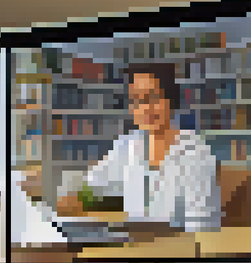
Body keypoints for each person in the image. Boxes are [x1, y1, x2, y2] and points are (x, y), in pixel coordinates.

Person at [54, 63, 222, 232]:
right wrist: (74, 199)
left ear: (171, 99)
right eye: (136, 100)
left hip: (181, 249)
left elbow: (202, 223)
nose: (145, 108)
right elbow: (95, 183)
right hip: (136, 244)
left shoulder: (195, 151)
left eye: (154, 98)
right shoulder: (127, 145)